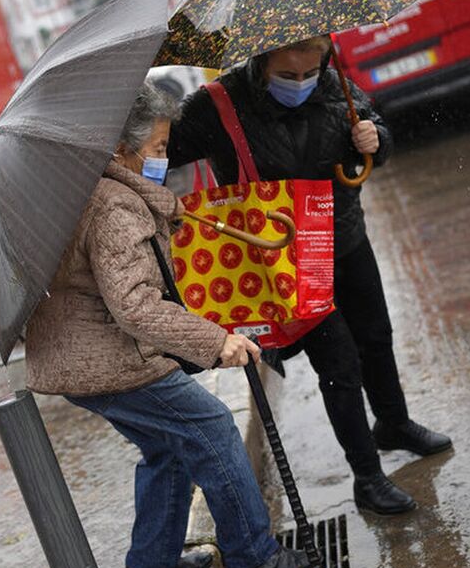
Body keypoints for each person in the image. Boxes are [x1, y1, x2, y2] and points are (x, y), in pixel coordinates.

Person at [25, 83, 309, 568]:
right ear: (119, 150)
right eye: (156, 149)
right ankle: (253, 556)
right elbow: (135, 306)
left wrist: (165, 210)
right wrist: (216, 341)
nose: (163, 158)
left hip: (81, 358)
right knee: (212, 427)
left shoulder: (100, 190)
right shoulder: (115, 206)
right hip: (109, 360)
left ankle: (152, 563)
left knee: (168, 448)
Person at [169, 36, 453, 516]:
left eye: (309, 74)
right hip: (287, 262)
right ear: (260, 63)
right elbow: (159, 152)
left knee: (376, 337)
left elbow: (375, 135)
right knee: (340, 366)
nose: (300, 84)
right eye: (288, 75)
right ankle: (367, 477)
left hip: (346, 238)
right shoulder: (219, 105)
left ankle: (394, 423)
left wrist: (375, 139)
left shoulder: (335, 84)